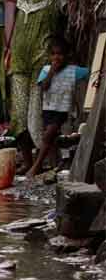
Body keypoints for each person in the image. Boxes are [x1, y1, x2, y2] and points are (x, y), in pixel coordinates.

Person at [6, 0, 67, 173]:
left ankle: (49, 164)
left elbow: (66, 31)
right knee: (18, 118)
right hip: (19, 62)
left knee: (36, 118)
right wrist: (9, 50)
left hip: (42, 65)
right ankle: (30, 163)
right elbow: (16, 28)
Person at [27, 38, 89, 177]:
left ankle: (35, 168)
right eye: (53, 54)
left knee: (48, 135)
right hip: (48, 108)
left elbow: (91, 72)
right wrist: (51, 73)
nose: (56, 57)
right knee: (52, 139)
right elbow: (44, 87)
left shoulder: (74, 71)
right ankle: (54, 167)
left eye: (60, 54)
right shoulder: (46, 70)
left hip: (62, 110)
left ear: (67, 56)